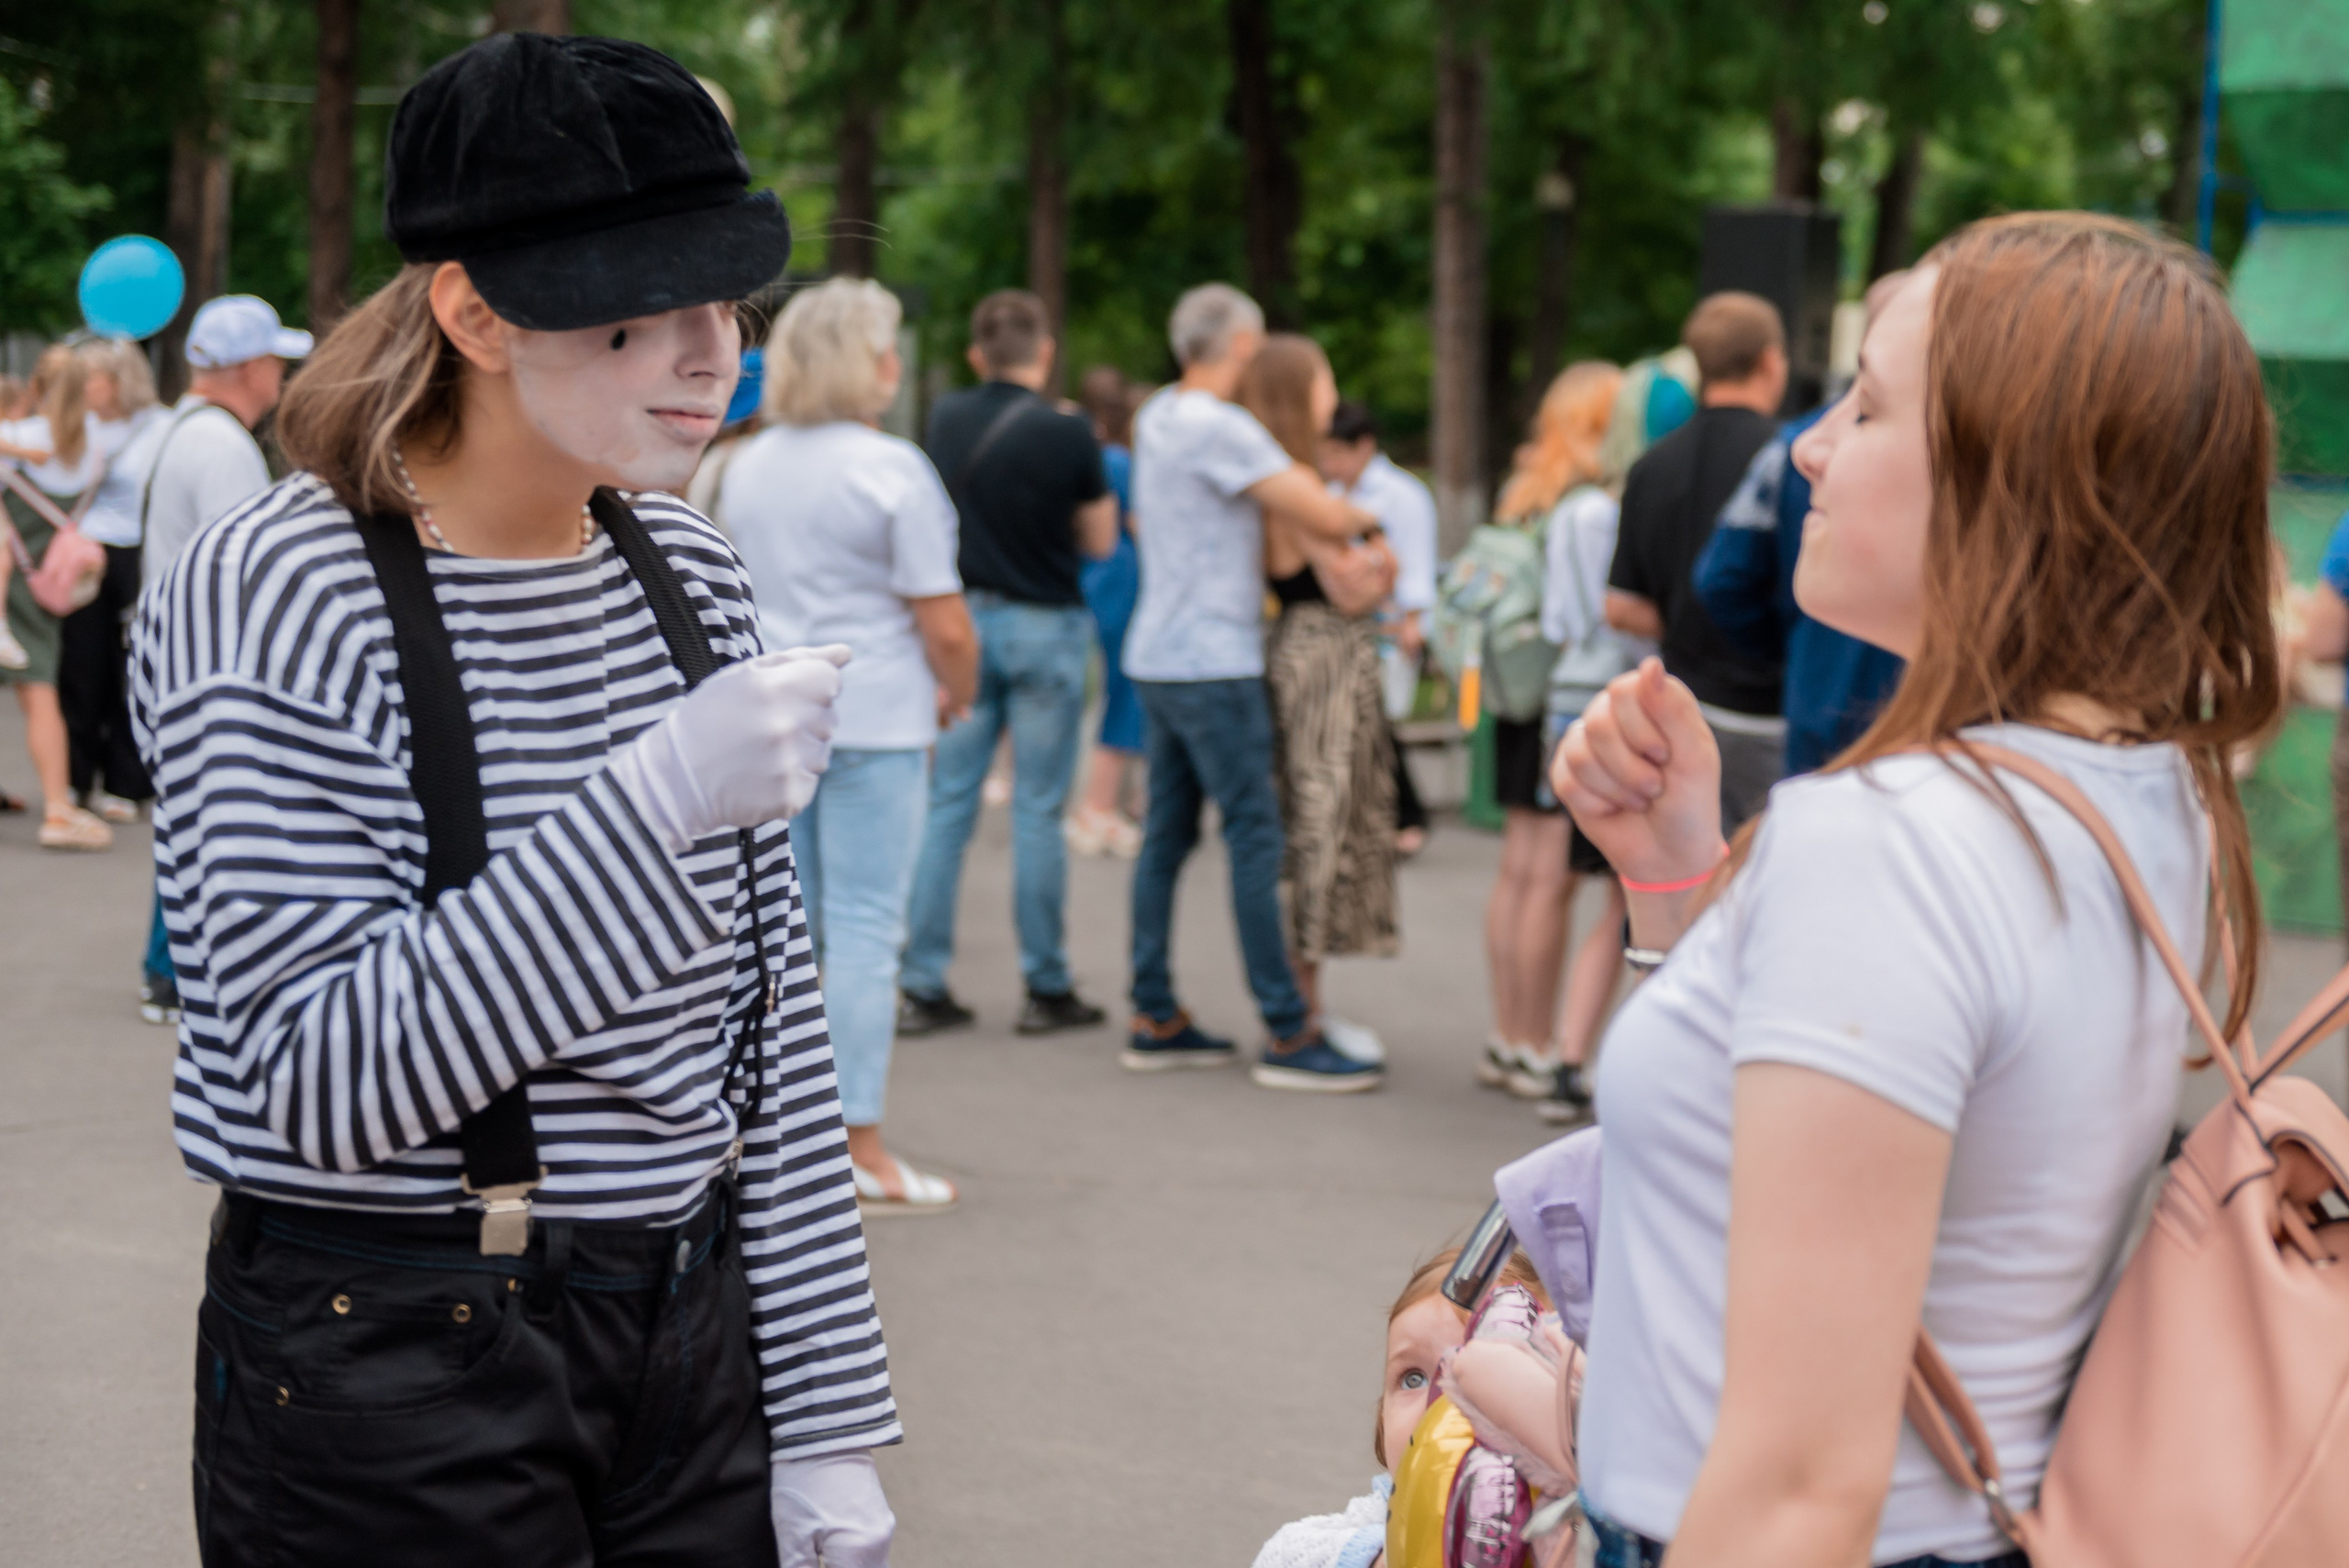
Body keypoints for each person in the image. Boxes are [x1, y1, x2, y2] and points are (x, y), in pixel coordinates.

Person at [132, 35, 897, 1565]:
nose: (710, 350)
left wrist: (825, 1413)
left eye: (726, 297)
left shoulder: (691, 572)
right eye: (647, 300)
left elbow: (772, 1047)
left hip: (691, 1331)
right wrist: (649, 807)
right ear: (474, 308)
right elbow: (311, 1080)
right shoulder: (283, 583)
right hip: (392, 1348)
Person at [1553, 215, 2273, 1563]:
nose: (1811, 447)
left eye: (1869, 406)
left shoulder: (1890, 843)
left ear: (2020, 484)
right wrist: (1676, 883)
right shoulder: (2150, 791)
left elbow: (1798, 1488)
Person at [718, 275, 979, 1216]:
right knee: (868, 933)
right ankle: (855, 1141)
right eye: (885, 349)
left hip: (777, 720)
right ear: (858, 362)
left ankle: (774, 1131)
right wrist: (960, 691)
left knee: (786, 936)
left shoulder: (746, 463)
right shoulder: (889, 466)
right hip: (876, 717)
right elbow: (942, 619)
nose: (894, 365)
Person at [1120, 283, 1383, 1091]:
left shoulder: (1158, 414)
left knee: (1166, 837)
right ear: (1239, 343)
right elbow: (1326, 515)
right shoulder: (1218, 425)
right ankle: (1288, 1029)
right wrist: (1372, 531)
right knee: (1254, 835)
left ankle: (1154, 1009)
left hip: (1157, 651)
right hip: (1214, 658)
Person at [899, 288, 1119, 1038]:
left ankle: (922, 981)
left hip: (965, 623)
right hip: (1046, 628)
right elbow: (1100, 541)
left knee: (949, 804)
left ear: (975, 354)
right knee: (1037, 809)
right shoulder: (1071, 434)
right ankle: (1045, 984)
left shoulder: (947, 419)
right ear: (1045, 351)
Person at [117, 294, 309, 1024]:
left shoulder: (176, 430)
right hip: (212, 661)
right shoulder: (225, 446)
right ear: (250, 366)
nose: (282, 378)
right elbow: (248, 572)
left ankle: (167, 970)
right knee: (212, 816)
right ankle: (173, 974)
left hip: (170, 651)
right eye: (277, 363)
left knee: (189, 812)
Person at [1238, 334, 1401, 1062]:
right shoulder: (1297, 484)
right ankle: (1301, 1013)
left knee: (1314, 820)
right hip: (1324, 657)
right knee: (1322, 825)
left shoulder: (1276, 481)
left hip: (1302, 652)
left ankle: (1305, 1005)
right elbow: (1357, 583)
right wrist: (1379, 554)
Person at [1475, 362, 1631, 1109]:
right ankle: (1540, 1042)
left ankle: (1510, 1032)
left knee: (1517, 870)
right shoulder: (1589, 504)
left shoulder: (1523, 492)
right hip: (1564, 688)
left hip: (1516, 689)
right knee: (1553, 879)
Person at [1694, 272, 1911, 777]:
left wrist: (1797, 650)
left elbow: (1723, 580)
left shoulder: (1791, 444)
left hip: (1818, 708)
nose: (1813, 453)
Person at [1604, 292, 1789, 834]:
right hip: (1772, 712)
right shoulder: (1791, 459)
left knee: (1684, 885)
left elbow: (1620, 605)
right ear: (1770, 361)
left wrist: (1688, 621)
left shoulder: (1650, 466)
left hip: (1681, 708)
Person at [1249, 1244, 1548, 1568]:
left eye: (1487, 1373)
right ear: (1383, 1425)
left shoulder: (1581, 1537)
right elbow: (1286, 1553)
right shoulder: (1344, 1539)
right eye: (1414, 1379)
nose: (1443, 1403)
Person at [0, 344, 111, 851]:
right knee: (41, 692)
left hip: (11, 575)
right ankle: (59, 807)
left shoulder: (20, 438)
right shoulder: (93, 449)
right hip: (44, 582)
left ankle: (59, 813)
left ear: (38, 388)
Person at [1319, 399, 1434, 854]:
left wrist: (1412, 622)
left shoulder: (1402, 495)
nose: (1330, 464)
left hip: (1385, 624)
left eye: (1337, 453)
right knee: (1360, 724)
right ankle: (1384, 816)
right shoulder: (1328, 494)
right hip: (1344, 623)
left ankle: (1407, 815)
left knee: (1379, 722)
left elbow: (1416, 564)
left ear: (1364, 445)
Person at [60, 338, 166, 824]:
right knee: (80, 669)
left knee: (131, 666)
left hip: (135, 555)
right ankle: (76, 778)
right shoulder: (74, 428)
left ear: (119, 380)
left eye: (92, 377)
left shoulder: (161, 428)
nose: (84, 387)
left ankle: (127, 783)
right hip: (85, 552)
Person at [1068, 363, 1145, 857]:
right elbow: (1137, 520)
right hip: (1123, 579)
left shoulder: (1084, 456)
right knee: (1124, 691)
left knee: (1109, 688)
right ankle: (1098, 804)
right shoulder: (1121, 462)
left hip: (1091, 580)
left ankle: (1117, 800)